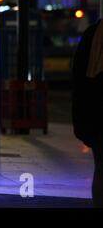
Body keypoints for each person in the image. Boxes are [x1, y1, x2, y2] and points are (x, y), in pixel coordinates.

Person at [72, 19, 103, 208]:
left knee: (101, 169)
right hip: (97, 119)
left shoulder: (92, 35)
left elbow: (79, 83)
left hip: (97, 119)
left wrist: (81, 123)